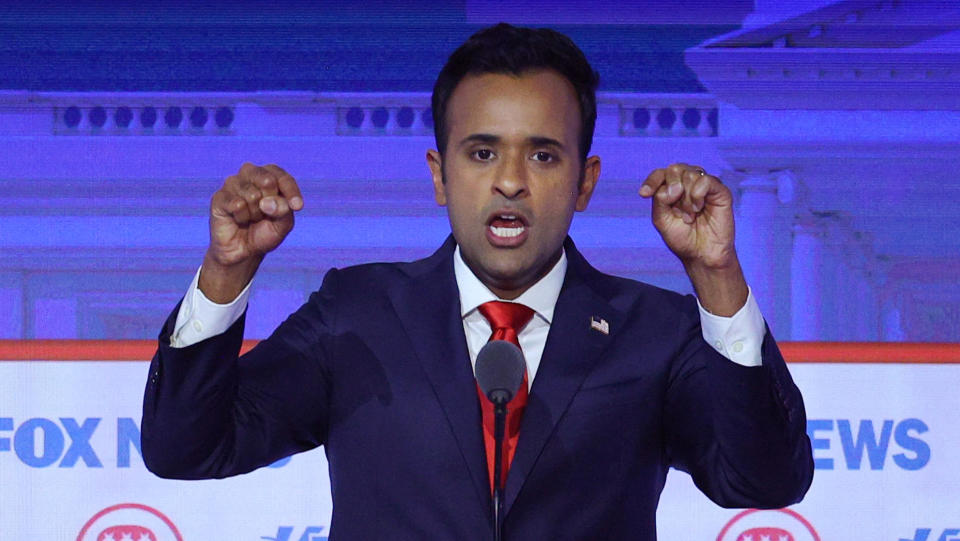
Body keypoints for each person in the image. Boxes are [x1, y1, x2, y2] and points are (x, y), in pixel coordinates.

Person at [141, 23, 812, 539]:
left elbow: (765, 478)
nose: (511, 180)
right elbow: (186, 447)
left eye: (543, 154)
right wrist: (227, 270)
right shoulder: (358, 313)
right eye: (483, 152)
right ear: (439, 174)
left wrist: (716, 275)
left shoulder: (654, 331)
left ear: (585, 182)